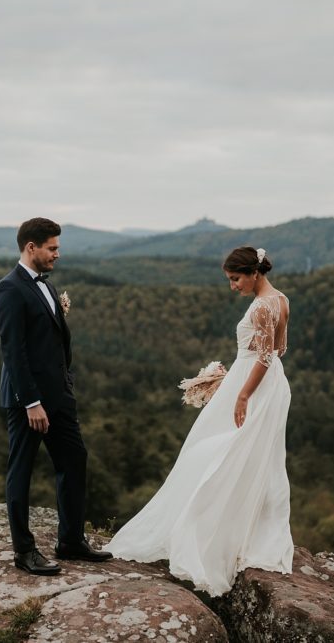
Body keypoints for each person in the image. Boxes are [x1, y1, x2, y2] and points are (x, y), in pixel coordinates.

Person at [104, 245, 293, 596]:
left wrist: (241, 393)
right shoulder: (281, 299)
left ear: (254, 273)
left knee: (215, 454)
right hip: (267, 384)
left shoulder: (264, 306)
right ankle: (236, 531)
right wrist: (230, 376)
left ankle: (206, 534)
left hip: (254, 386)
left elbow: (265, 357)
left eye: (235, 279)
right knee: (248, 458)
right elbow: (279, 352)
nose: (233, 286)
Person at [0, 217, 111, 576]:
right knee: (21, 472)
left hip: (59, 397)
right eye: (52, 248)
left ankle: (71, 541)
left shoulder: (46, 284)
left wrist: (66, 383)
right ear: (32, 247)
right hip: (27, 402)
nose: (57, 254)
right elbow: (14, 352)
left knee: (74, 460)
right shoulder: (9, 289)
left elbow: (55, 342)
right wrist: (31, 402)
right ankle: (24, 552)